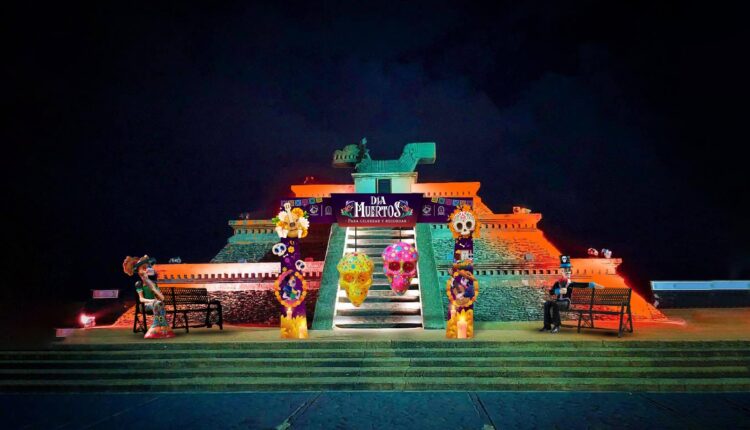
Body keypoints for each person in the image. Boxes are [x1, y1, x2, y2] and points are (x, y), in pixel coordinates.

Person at [123, 255, 175, 339]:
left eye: (148, 267)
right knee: (158, 304)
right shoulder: (139, 284)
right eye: (143, 268)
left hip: (156, 304)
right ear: (138, 271)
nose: (146, 270)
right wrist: (152, 301)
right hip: (145, 305)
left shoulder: (153, 284)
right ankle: (158, 327)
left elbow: (162, 298)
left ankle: (161, 327)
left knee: (159, 304)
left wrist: (154, 289)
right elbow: (141, 299)